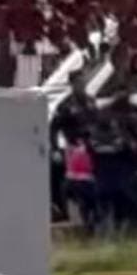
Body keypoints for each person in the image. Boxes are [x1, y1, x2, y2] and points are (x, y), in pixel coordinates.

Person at [90, 91, 137, 232]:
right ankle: (112, 227)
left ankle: (124, 226)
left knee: (126, 200)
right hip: (112, 169)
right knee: (114, 199)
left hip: (123, 167)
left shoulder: (135, 112)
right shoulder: (104, 116)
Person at [49, 73, 98, 222]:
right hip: (74, 148)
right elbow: (53, 128)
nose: (81, 85)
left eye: (83, 81)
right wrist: (55, 148)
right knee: (64, 177)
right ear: (72, 84)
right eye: (78, 82)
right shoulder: (66, 105)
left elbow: (98, 121)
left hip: (92, 146)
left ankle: (95, 209)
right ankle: (64, 210)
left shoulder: (90, 101)